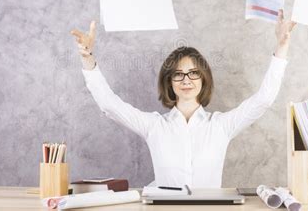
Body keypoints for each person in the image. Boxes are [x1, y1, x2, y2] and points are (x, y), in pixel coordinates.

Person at [70, 10, 296, 188]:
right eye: (178, 74)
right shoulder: (154, 126)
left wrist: (282, 46)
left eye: (193, 73)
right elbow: (109, 105)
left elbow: (264, 100)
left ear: (203, 79)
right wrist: (87, 58)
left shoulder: (221, 126)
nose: (186, 80)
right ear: (169, 82)